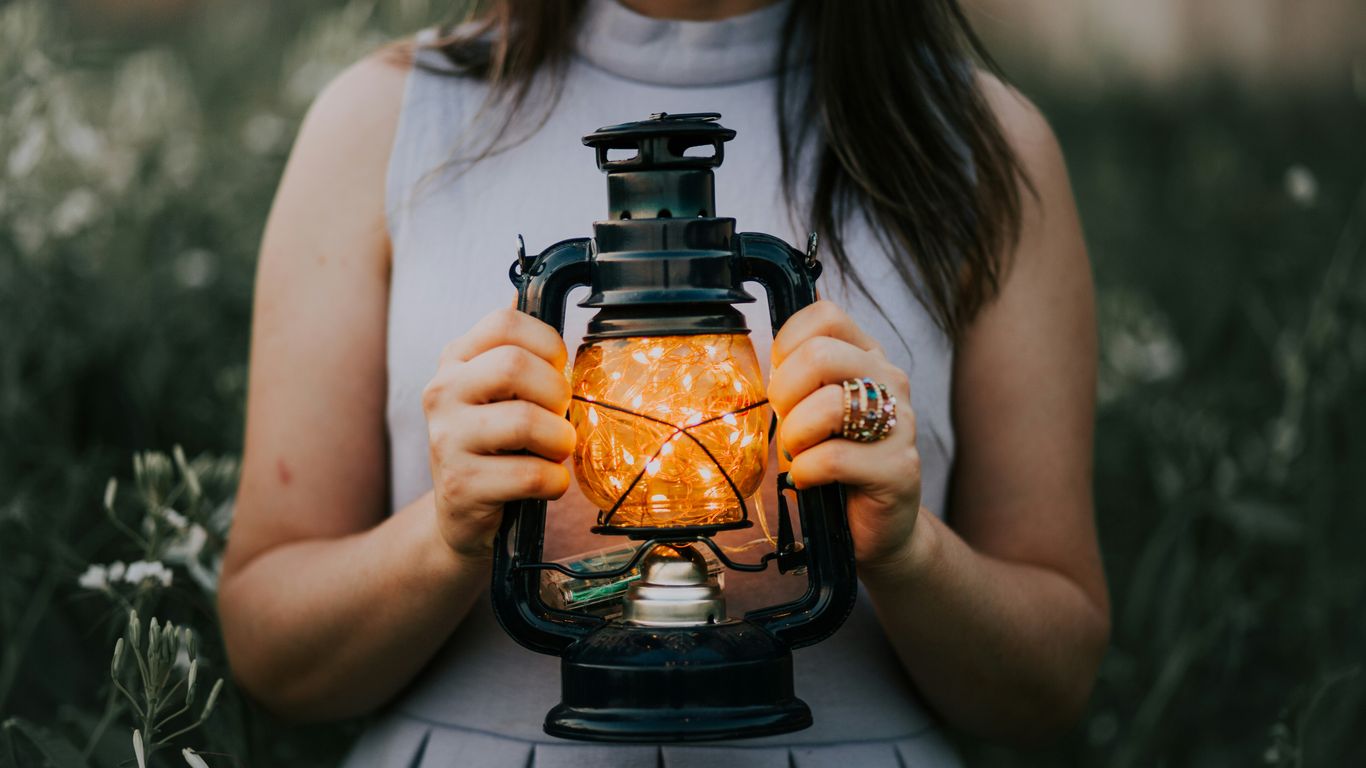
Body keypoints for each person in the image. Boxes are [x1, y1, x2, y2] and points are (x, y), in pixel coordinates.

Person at [217, 0, 1110, 764]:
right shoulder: (391, 119)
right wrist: (447, 537)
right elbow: (272, 652)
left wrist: (906, 552)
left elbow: (1050, 683)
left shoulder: (977, 141)